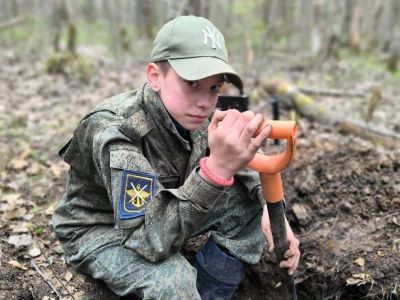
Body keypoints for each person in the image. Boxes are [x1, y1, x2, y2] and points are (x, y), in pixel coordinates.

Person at [52, 15, 300, 300]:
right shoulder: (118, 131)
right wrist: (215, 169)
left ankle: (207, 294)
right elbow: (149, 239)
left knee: (249, 206)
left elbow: (247, 169)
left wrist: (270, 211)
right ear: (155, 76)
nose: (205, 101)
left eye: (214, 87)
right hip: (102, 228)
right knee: (175, 283)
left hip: (164, 213)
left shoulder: (194, 113)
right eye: (192, 83)